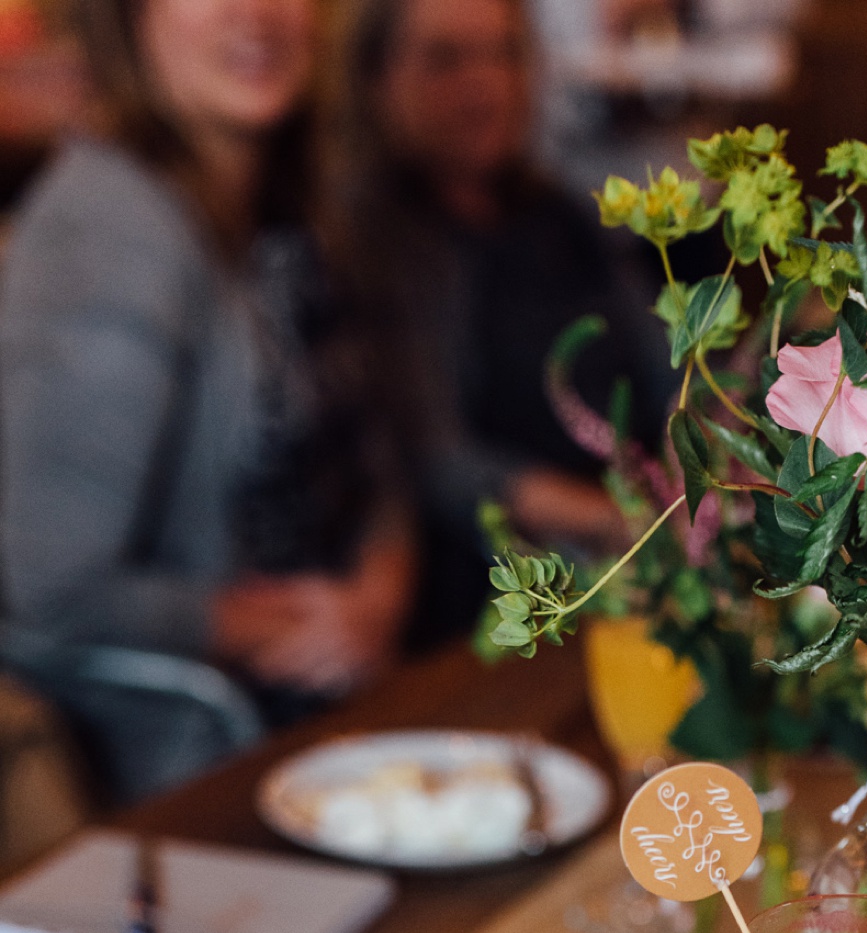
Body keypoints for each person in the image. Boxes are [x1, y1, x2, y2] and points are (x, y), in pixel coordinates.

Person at [0, 0, 409, 801]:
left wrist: (378, 594)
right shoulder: (108, 232)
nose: (255, 13)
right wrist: (299, 627)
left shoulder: (294, 196)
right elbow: (53, 585)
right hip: (208, 763)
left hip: (360, 716)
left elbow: (376, 451)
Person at [331, 0, 671, 646]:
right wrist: (617, 524)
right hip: (499, 595)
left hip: (644, 549)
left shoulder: (561, 212)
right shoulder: (374, 245)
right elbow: (439, 460)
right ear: (375, 80)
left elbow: (667, 366)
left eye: (505, 53)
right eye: (446, 60)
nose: (487, 83)